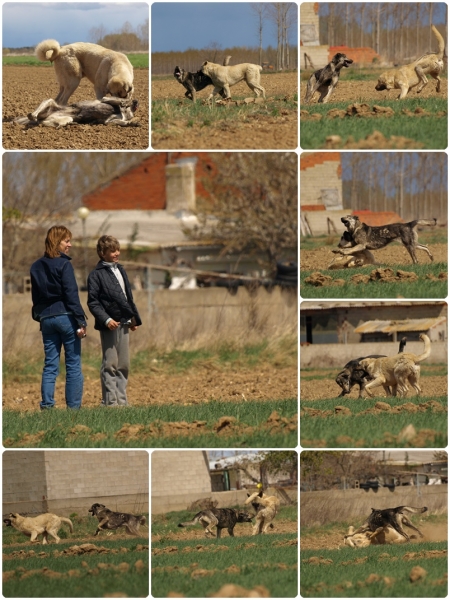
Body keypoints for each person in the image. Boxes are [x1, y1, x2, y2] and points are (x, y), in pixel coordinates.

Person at [30, 226, 87, 410]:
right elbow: (71, 294)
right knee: (73, 365)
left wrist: (41, 317)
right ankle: (73, 410)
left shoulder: (36, 266)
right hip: (66, 318)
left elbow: (36, 297)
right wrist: (81, 320)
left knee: (50, 366)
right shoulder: (64, 264)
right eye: (66, 241)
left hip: (46, 319)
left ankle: (47, 406)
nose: (70, 245)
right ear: (57, 241)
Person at [87, 235, 142, 406]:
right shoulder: (96, 275)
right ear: (102, 253)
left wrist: (133, 319)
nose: (117, 253)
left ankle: (122, 402)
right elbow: (93, 302)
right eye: (112, 251)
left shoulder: (121, 270)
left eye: (118, 250)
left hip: (124, 322)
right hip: (109, 325)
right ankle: (110, 403)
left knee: (123, 363)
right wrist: (106, 319)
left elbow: (127, 298)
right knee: (110, 363)